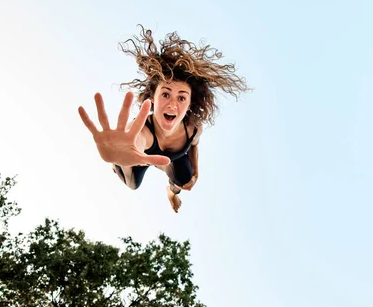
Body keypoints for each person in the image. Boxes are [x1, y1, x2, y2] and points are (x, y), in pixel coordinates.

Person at [78, 26, 248, 212]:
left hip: (170, 161)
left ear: (189, 105)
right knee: (133, 185)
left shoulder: (193, 129)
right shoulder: (141, 130)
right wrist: (124, 151)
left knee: (185, 179)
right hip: (135, 159)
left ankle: (171, 192)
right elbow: (136, 140)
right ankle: (119, 165)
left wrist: (196, 171)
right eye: (166, 95)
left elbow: (194, 145)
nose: (173, 105)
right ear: (153, 99)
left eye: (181, 98)